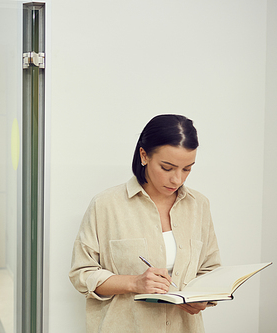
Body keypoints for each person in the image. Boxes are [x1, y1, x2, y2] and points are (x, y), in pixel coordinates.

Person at [69, 114, 221, 332]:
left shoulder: (199, 206)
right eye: (167, 168)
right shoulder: (106, 205)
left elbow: (210, 269)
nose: (177, 179)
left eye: (187, 169)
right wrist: (134, 283)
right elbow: (81, 274)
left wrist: (203, 298)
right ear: (144, 155)